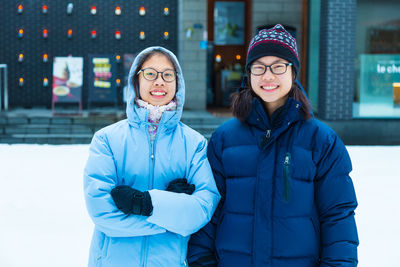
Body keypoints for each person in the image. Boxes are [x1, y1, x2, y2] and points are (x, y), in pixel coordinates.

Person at [188, 24, 359, 267]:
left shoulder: (321, 140)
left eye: (278, 66)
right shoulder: (225, 138)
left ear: (293, 72)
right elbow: (208, 209)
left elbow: (338, 216)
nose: (268, 76)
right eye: (259, 67)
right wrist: (201, 261)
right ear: (249, 74)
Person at [84, 46, 220, 267]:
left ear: (178, 83)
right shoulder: (107, 140)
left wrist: (146, 203)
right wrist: (169, 214)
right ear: (136, 80)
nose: (159, 82)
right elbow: (101, 211)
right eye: (150, 74)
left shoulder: (194, 144)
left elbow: (203, 208)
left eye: (168, 75)